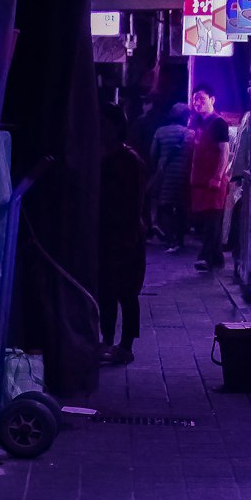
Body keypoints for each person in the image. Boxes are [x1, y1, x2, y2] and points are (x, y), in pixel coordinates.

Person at [97, 102, 146, 365]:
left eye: (105, 124)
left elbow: (132, 203)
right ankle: (107, 340)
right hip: (108, 234)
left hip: (126, 235)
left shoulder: (128, 160)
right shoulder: (105, 158)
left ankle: (125, 345)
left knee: (127, 292)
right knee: (106, 289)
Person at [189, 85, 230, 272]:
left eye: (201, 99)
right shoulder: (197, 121)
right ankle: (217, 258)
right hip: (199, 180)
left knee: (212, 220)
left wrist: (217, 177)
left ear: (212, 100)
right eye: (195, 99)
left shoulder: (218, 123)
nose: (197, 103)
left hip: (214, 183)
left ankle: (205, 257)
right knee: (205, 219)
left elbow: (224, 151)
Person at [148, 103, 194, 252]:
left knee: (166, 207)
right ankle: (179, 240)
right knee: (181, 208)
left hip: (165, 175)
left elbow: (152, 155)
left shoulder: (160, 132)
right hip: (184, 176)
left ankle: (169, 239)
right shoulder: (190, 134)